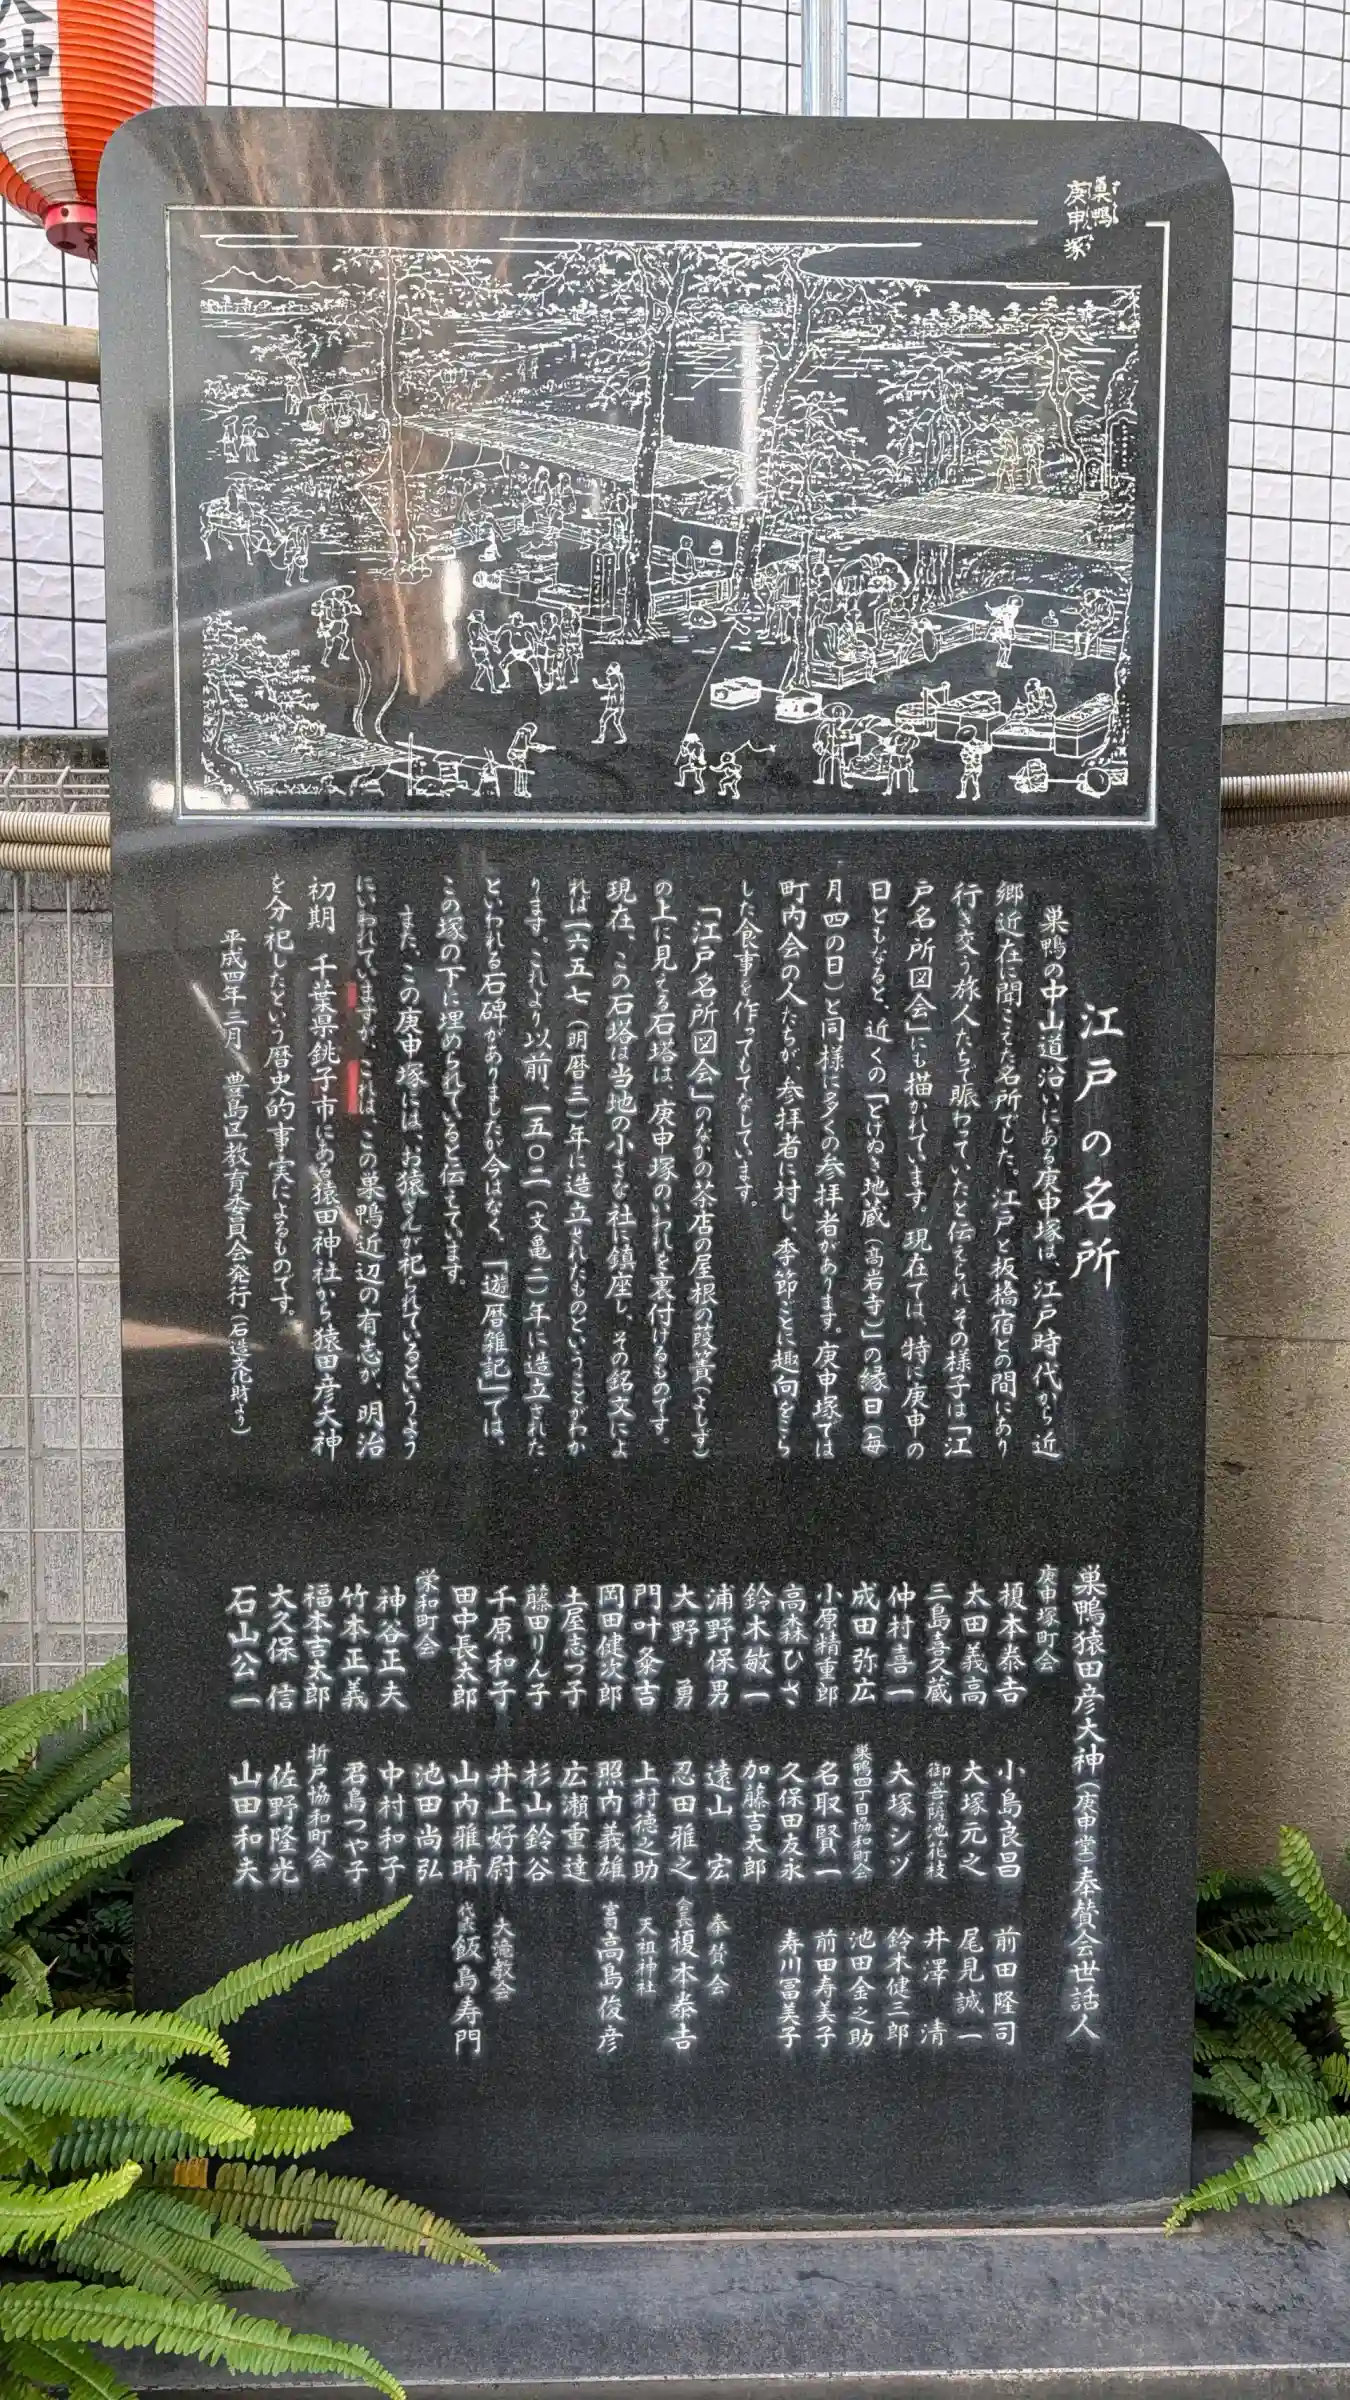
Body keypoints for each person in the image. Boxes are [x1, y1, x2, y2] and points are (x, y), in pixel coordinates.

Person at [592, 661, 627, 746]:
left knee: (602, 721)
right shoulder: (619, 677)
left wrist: (607, 696)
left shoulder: (613, 676)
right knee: (616, 722)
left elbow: (613, 688)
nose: (608, 670)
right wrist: (599, 686)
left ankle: (601, 738)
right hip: (620, 705)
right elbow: (614, 688)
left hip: (613, 705)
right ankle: (623, 737)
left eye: (610, 668)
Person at [958, 730, 990, 803]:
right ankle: (964, 793)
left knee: (974, 780)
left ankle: (977, 794)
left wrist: (980, 745)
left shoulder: (978, 746)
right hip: (969, 765)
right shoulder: (967, 746)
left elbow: (987, 749)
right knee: (963, 779)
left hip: (976, 766)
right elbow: (964, 756)